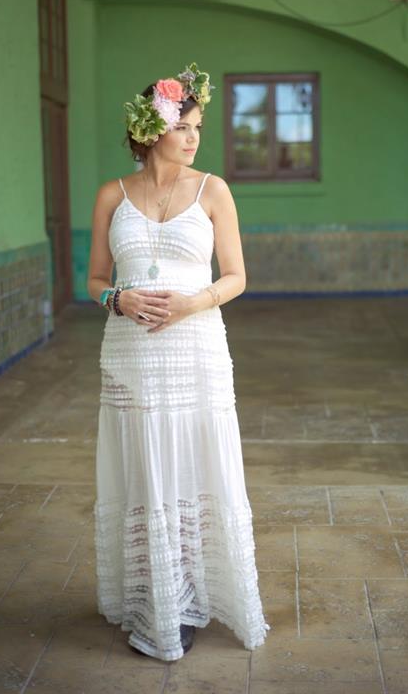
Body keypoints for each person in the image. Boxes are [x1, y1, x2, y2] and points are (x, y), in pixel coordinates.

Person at [87, 63, 270, 662]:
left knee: (193, 467)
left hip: (196, 350)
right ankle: (153, 597)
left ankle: (191, 596)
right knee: (146, 470)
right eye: (181, 127)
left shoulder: (213, 190)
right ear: (150, 131)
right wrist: (118, 297)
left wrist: (195, 300)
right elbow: (92, 280)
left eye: (196, 126)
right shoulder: (111, 195)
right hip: (133, 356)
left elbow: (238, 277)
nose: (193, 138)